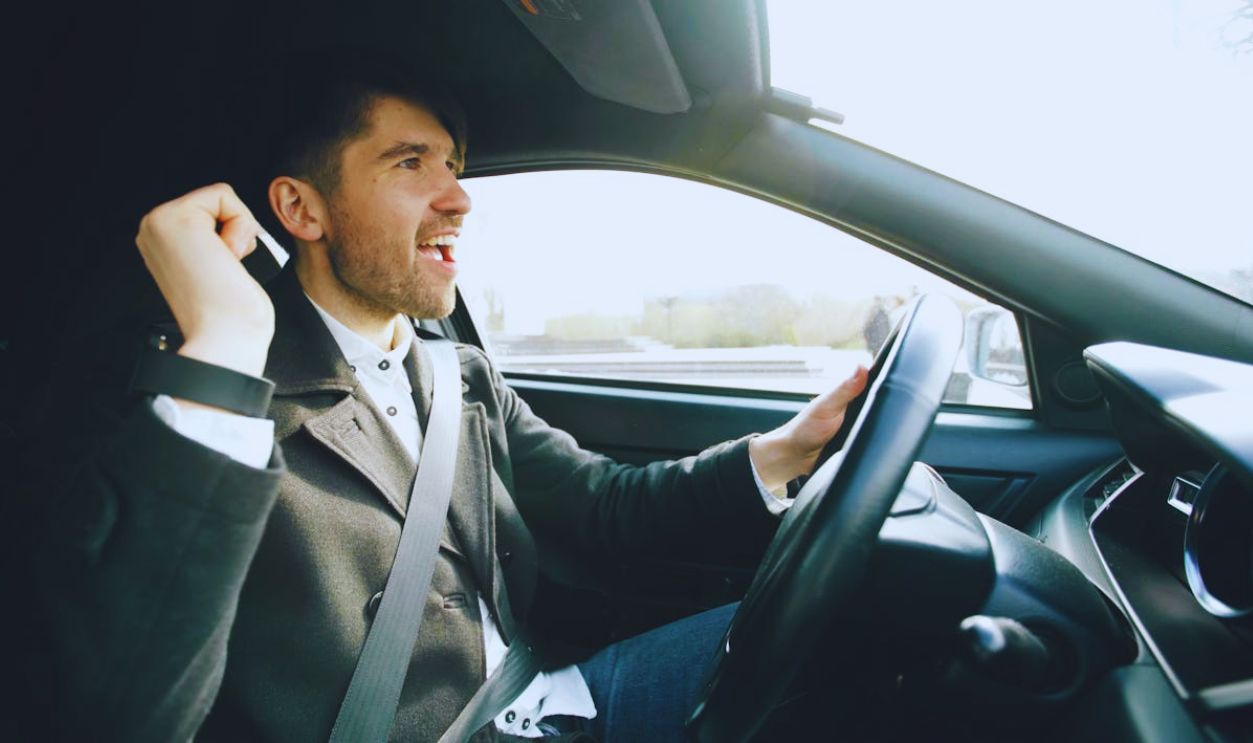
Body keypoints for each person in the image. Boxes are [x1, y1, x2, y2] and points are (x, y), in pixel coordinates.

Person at [41, 61, 868, 742]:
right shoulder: (205, 401)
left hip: (547, 698)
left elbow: (601, 505)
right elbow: (117, 712)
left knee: (862, 619)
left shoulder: (459, 376)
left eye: (452, 168)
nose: (459, 199)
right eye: (409, 164)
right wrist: (223, 339)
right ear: (300, 208)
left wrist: (784, 449)